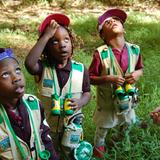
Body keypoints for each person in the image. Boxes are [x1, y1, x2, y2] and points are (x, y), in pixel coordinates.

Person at [25, 13, 91, 159]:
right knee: (50, 154)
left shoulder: (81, 70)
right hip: (47, 128)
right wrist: (45, 36)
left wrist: (80, 102)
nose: (62, 44)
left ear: (72, 43)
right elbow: (29, 64)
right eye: (54, 41)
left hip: (72, 126)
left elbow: (87, 93)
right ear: (46, 48)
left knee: (71, 153)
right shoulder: (42, 68)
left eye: (66, 39)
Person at [88, 8, 143, 158]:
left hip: (127, 99)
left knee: (128, 121)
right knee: (103, 126)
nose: (112, 21)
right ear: (103, 35)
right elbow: (90, 77)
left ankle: (121, 139)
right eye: (107, 22)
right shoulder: (101, 53)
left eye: (116, 20)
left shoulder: (134, 50)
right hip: (107, 102)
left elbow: (140, 69)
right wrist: (107, 79)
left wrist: (137, 74)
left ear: (124, 29)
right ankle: (99, 146)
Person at [0, 48, 59, 160]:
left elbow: (45, 136)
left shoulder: (34, 104)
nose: (16, 78)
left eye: (17, 70)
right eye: (5, 75)